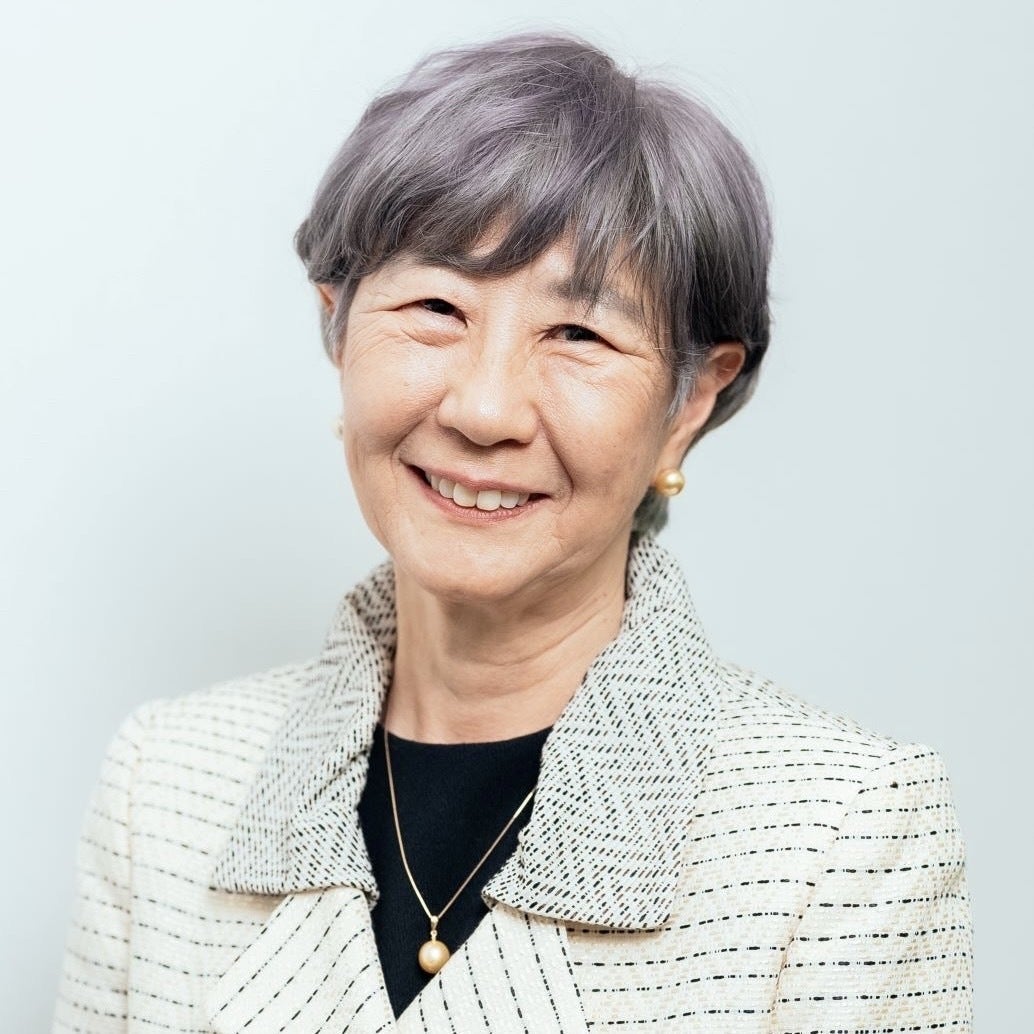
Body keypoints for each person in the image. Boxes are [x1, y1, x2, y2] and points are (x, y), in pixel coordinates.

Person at [52, 30, 973, 1034]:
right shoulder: (164, 786)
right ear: (337, 328)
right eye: (435, 306)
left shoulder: (844, 836)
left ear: (689, 403)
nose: (485, 408)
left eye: (578, 333)